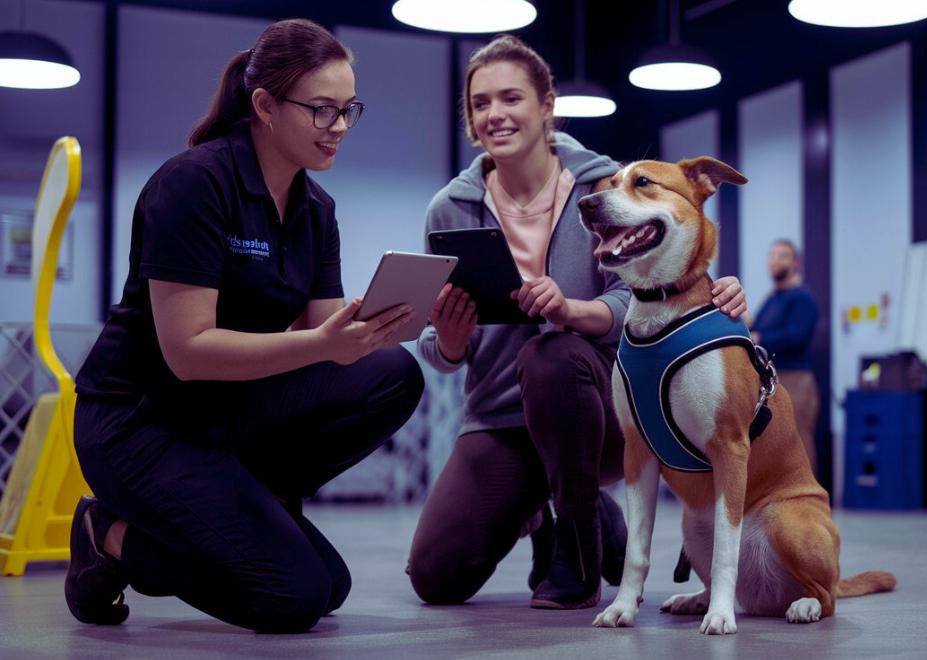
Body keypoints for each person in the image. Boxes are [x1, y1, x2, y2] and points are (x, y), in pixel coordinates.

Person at [66, 19, 424, 633]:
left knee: (392, 375)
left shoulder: (316, 210)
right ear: (263, 105)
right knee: (296, 597)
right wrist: (322, 341)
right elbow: (188, 352)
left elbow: (326, 342)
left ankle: (251, 494)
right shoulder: (195, 184)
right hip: (137, 425)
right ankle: (109, 533)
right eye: (321, 110)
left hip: (219, 418)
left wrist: (377, 326)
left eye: (348, 110)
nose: (339, 127)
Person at [407, 35, 748, 610]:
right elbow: (438, 347)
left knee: (553, 355)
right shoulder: (449, 208)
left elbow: (637, 296)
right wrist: (449, 340)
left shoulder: (610, 187)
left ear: (546, 105)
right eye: (480, 103)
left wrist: (571, 310)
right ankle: (567, 512)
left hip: (602, 409)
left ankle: (581, 544)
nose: (495, 114)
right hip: (501, 420)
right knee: (436, 578)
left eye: (511, 98)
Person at [750, 238, 820, 476]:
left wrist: (760, 338)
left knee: (798, 441)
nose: (774, 261)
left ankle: (807, 501)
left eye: (782, 256)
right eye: (771, 255)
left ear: (795, 263)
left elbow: (796, 336)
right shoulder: (772, 298)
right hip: (774, 382)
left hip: (796, 379)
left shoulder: (802, 298)